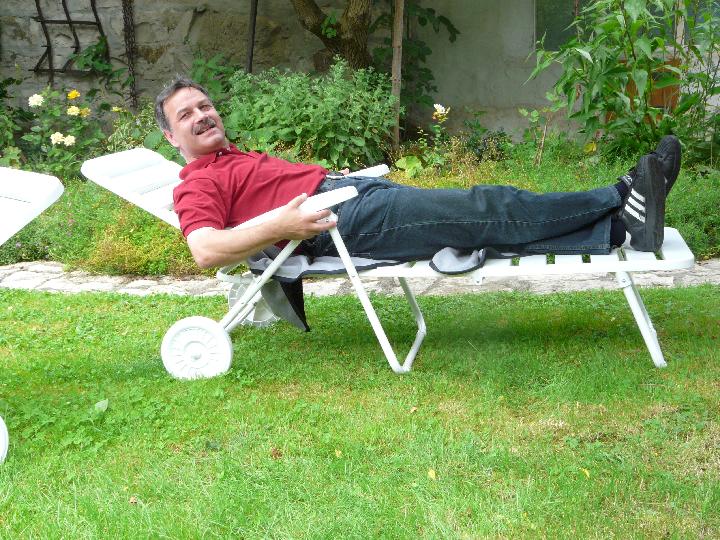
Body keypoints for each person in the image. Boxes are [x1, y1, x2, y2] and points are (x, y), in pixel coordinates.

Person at [154, 76, 681, 270]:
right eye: (186, 115)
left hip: (351, 195)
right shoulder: (197, 182)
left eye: (205, 105)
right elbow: (205, 250)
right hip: (339, 223)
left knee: (478, 222)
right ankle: (619, 194)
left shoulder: (232, 158)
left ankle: (618, 230)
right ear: (171, 138)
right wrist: (282, 225)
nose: (202, 115)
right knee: (485, 206)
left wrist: (338, 179)